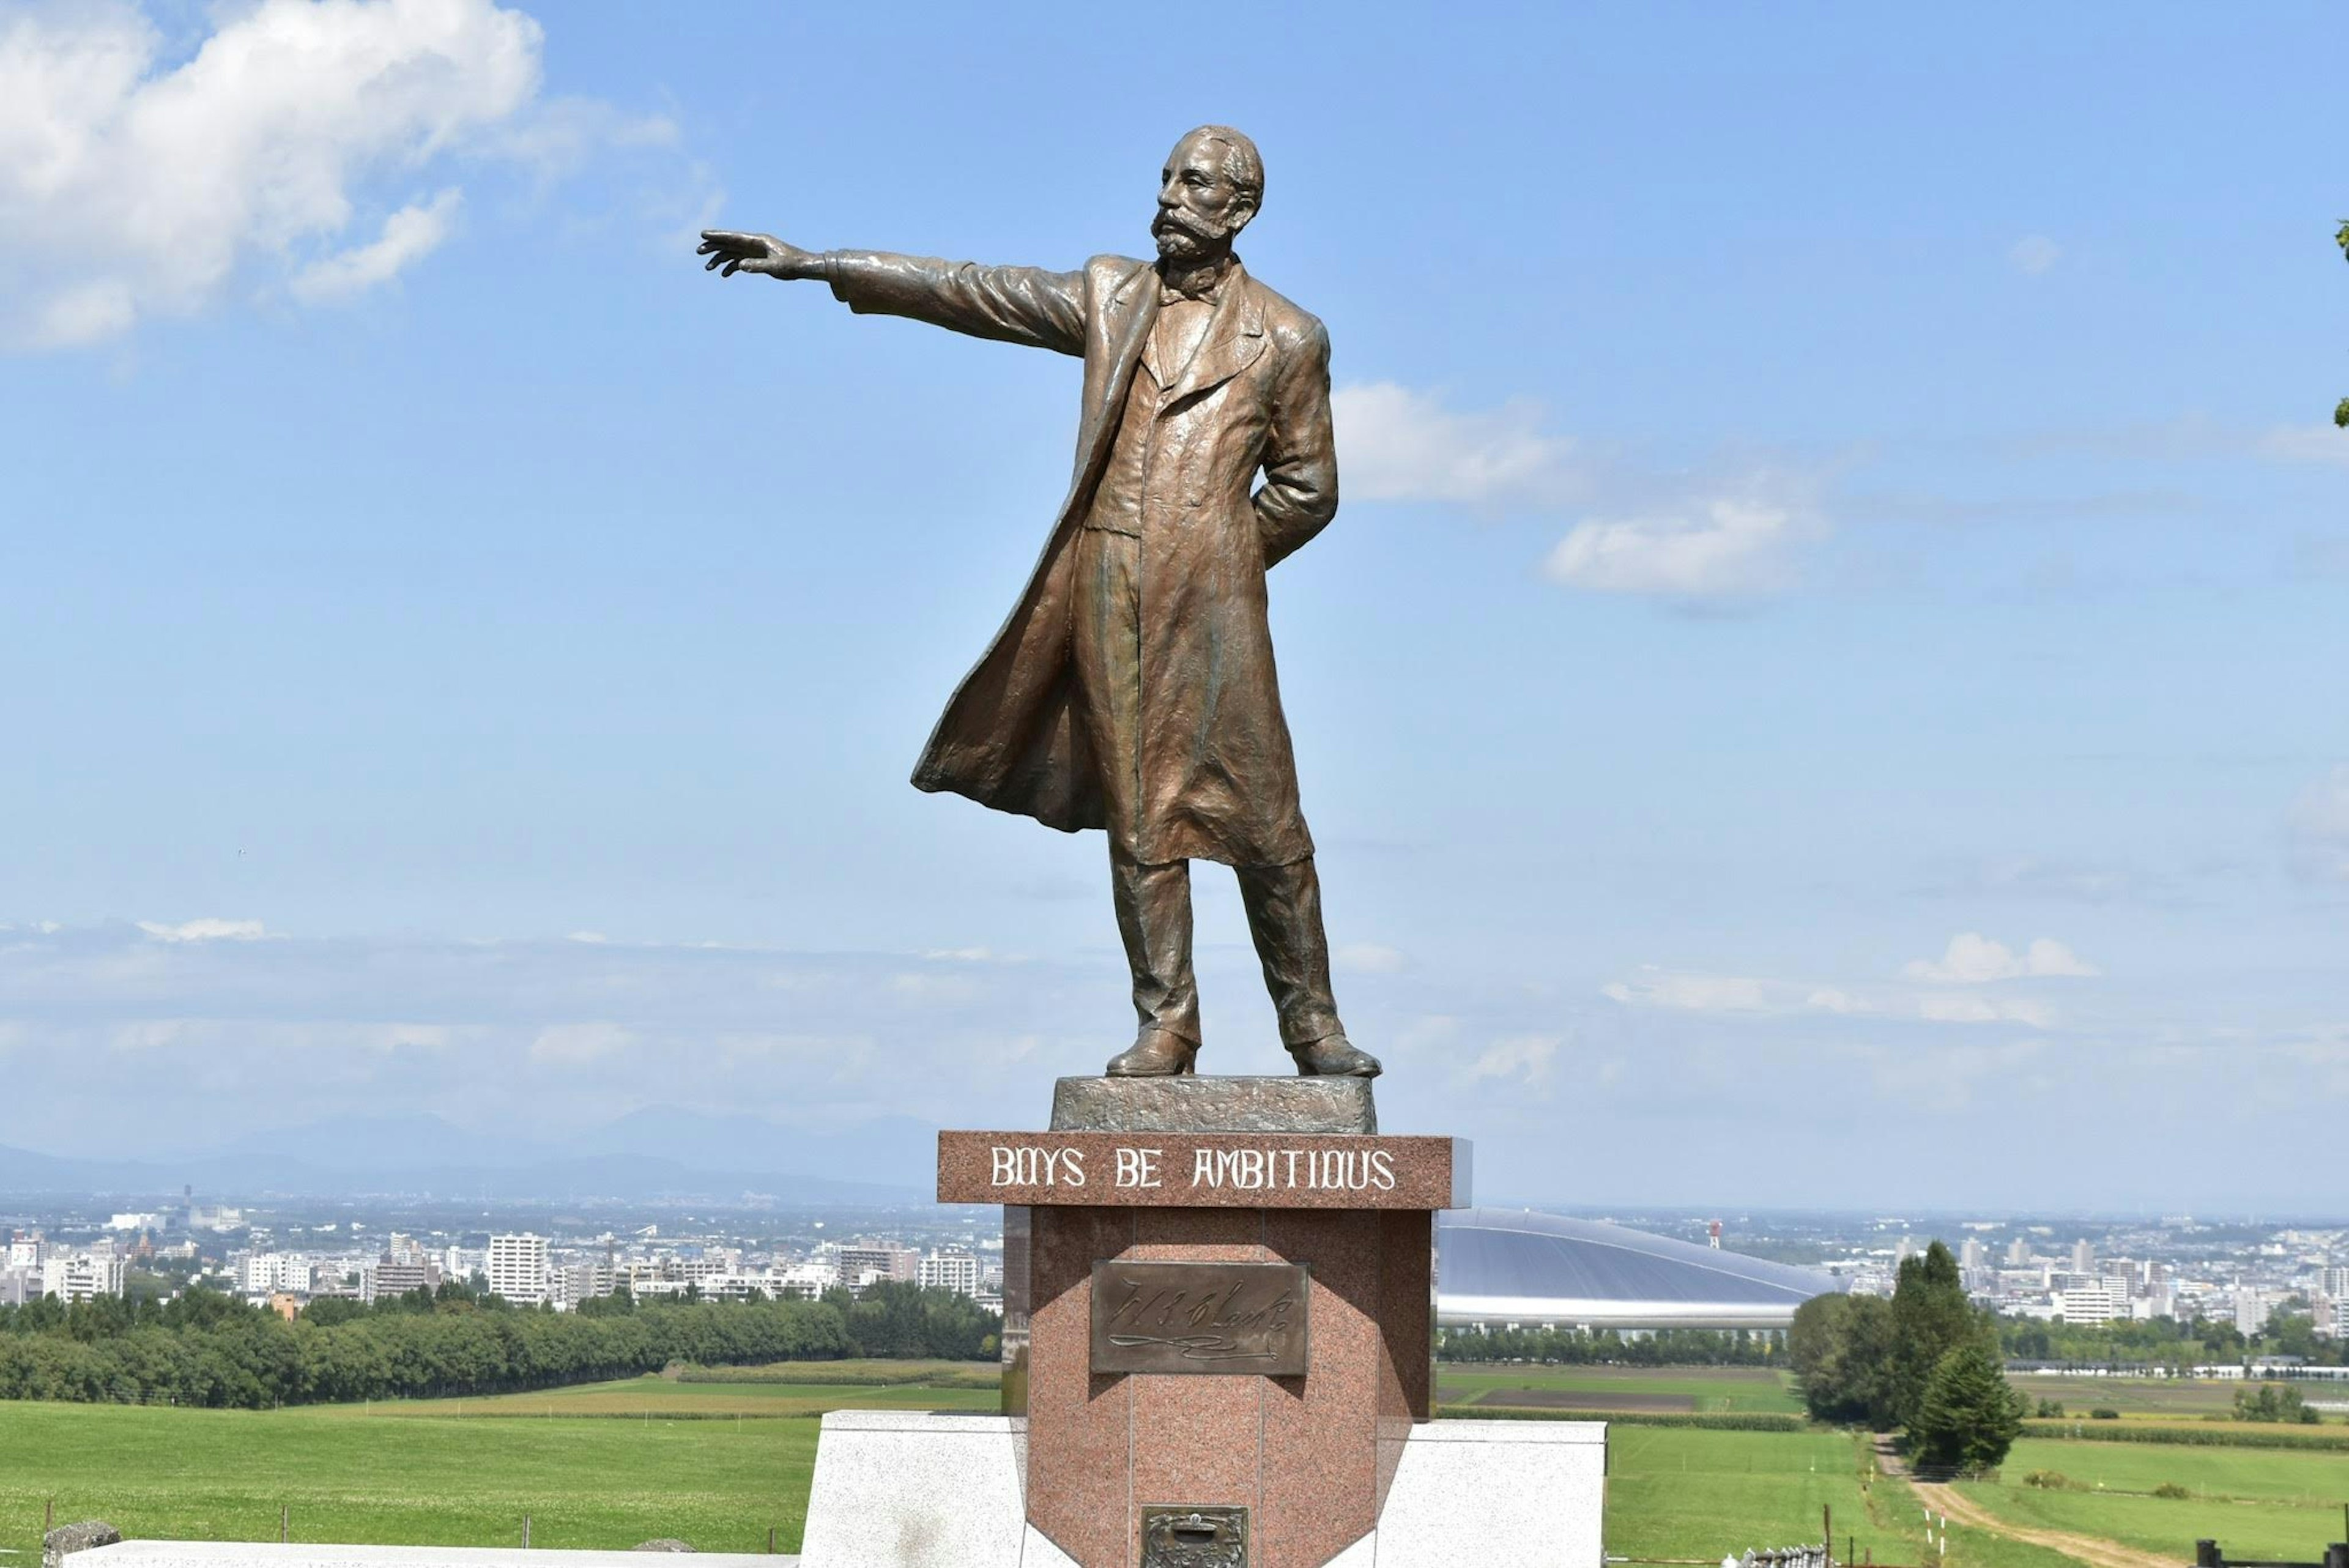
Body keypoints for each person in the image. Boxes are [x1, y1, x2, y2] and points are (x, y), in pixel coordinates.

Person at [699, 126, 1379, 1080]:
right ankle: (1168, 1025)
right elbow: (975, 290)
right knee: (1140, 818)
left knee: (1267, 819)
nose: (1170, 194)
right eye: (1166, 176)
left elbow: (1309, 488)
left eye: (1194, 182)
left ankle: (1313, 1026)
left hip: (1214, 605)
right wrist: (821, 265)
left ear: (1241, 208)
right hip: (1107, 588)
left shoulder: (1290, 336)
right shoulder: (1112, 295)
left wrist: (1215, 557)